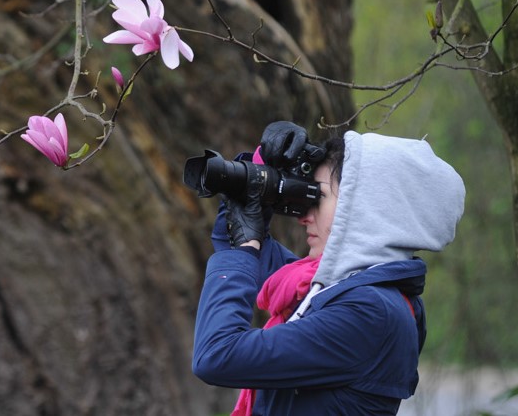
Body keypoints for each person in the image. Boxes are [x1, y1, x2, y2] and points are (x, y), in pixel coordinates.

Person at [190, 122, 465, 415]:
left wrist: (246, 246)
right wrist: (262, 166)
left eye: (318, 197)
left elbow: (216, 356)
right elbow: (232, 242)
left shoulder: (370, 313)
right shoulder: (330, 288)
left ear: (366, 209)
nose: (304, 216)